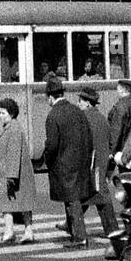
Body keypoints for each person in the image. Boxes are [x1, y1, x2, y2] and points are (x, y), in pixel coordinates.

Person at [42, 77, 96, 250]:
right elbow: (88, 136)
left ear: (50, 97)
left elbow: (52, 145)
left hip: (63, 164)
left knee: (72, 201)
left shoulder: (53, 115)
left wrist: (47, 160)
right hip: (81, 161)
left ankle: (80, 237)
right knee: (72, 199)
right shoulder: (77, 110)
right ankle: (74, 234)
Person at [75, 86, 120, 237]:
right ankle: (111, 229)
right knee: (97, 195)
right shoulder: (102, 118)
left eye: (80, 101)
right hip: (102, 163)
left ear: (87, 103)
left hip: (90, 164)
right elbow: (111, 143)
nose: (78, 104)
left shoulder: (82, 118)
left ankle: (74, 225)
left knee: (91, 196)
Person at [0, 97, 35, 245]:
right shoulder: (13, 128)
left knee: (8, 203)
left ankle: (10, 232)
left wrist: (11, 176)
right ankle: (28, 231)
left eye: (3, 113)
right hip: (16, 173)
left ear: (11, 113)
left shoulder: (13, 129)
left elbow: (14, 153)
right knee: (22, 203)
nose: (0, 116)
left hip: (12, 174)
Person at [107, 79, 131, 164]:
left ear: (123, 89)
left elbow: (116, 130)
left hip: (121, 149)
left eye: (118, 88)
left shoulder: (120, 107)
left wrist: (111, 150)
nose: (117, 91)